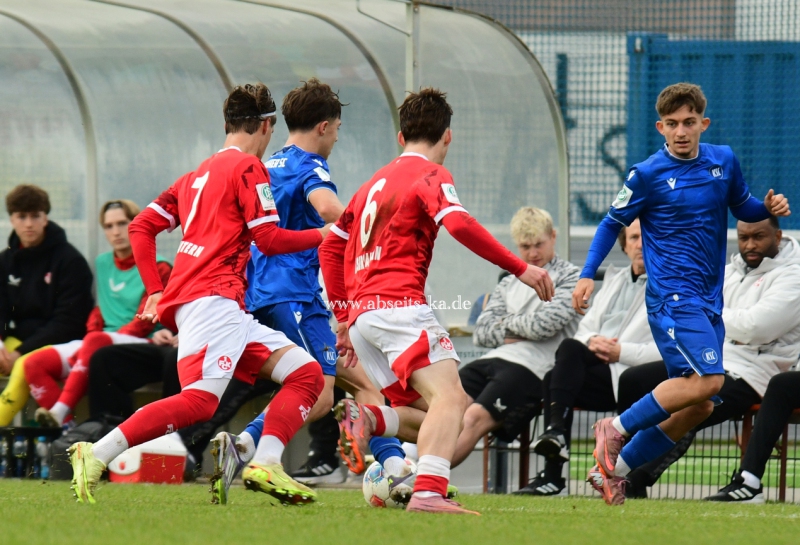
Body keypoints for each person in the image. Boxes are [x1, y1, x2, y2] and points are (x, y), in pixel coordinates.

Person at [68, 83, 330, 505]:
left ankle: (266, 460)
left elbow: (141, 227)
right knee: (199, 403)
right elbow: (268, 237)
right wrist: (324, 233)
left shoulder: (194, 177)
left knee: (306, 375)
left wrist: (155, 289)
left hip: (218, 306)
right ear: (266, 126)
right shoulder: (249, 169)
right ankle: (96, 453)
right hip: (213, 302)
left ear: (227, 124)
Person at [319, 88, 554, 515]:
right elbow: (460, 225)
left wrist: (342, 317)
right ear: (448, 137)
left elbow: (330, 249)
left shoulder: (372, 183)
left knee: (423, 409)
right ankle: (428, 492)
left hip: (363, 319)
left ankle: (372, 421)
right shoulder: (430, 175)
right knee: (453, 400)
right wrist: (521, 268)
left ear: (400, 136)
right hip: (400, 306)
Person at [572, 82, 790, 506]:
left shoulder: (723, 161)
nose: (681, 131)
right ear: (661, 128)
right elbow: (609, 224)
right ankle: (614, 430)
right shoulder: (645, 175)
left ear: (703, 123)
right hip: (673, 298)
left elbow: (742, 206)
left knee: (700, 405)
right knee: (709, 381)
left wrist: (767, 208)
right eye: (672, 124)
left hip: (709, 300)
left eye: (689, 122)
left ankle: (612, 470)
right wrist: (585, 275)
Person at [210, 79, 406, 499]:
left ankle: (398, 469)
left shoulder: (270, 164)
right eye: (336, 129)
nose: (335, 138)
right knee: (317, 391)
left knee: (368, 382)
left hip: (259, 294)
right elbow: (329, 211)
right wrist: (375, 222)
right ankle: (248, 448)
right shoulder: (310, 166)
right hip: (293, 296)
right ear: (322, 126)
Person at [616, 217, 800, 497]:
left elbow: (757, 327)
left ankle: (634, 477)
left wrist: (710, 318)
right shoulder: (728, 271)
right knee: (634, 378)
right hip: (710, 359)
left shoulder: (793, 276)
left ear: (777, 235)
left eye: (758, 237)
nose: (749, 245)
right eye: (743, 237)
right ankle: (616, 450)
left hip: (753, 372)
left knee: (696, 401)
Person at [515, 218, 661, 496]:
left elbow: (670, 348)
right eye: (633, 238)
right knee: (564, 357)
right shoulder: (614, 280)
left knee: (556, 373)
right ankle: (554, 453)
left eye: (647, 236)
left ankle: (555, 465)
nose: (640, 245)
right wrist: (593, 341)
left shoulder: (668, 287)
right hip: (597, 366)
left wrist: (621, 352)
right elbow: (585, 329)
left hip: (631, 374)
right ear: (624, 245)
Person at [25, 199, 172, 428]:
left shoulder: (160, 265)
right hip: (98, 342)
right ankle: (66, 432)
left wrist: (94, 343)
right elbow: (98, 311)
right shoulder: (102, 262)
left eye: (122, 223)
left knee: (96, 340)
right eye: (108, 226)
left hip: (141, 342)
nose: (115, 232)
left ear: (136, 223)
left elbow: (146, 319)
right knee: (33, 363)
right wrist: (91, 342)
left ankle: (60, 409)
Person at [452, 207, 580, 470]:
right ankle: (412, 469)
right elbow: (481, 332)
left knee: (475, 417)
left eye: (539, 244)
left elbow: (544, 327)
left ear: (553, 237)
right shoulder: (509, 281)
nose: (533, 253)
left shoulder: (571, 276)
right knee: (447, 408)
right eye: (525, 246)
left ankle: (426, 479)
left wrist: (506, 323)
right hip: (495, 358)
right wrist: (522, 326)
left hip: (535, 368)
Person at [0, 184, 93, 426]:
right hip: (16, 343)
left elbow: (68, 322)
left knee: (22, 367)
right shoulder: (5, 260)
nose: (28, 224)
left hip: (57, 343)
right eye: (22, 216)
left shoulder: (70, 261)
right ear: (11, 219)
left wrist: (18, 353)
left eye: (35, 216)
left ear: (45, 217)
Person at [705, 370, 800, 503]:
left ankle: (749, 482)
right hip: (732, 367)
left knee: (782, 383)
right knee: (783, 384)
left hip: (751, 372)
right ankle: (749, 482)